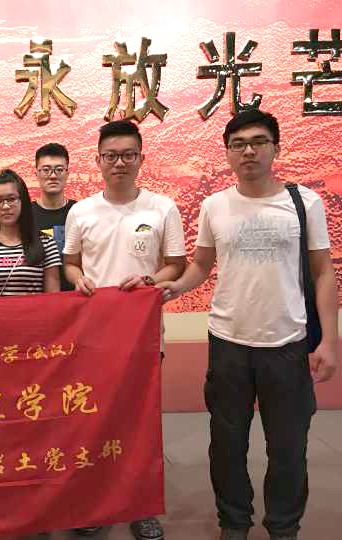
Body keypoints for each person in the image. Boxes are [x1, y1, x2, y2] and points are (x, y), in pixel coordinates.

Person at [157, 110, 338, 540]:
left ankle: (284, 528)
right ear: (228, 153)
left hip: (287, 344)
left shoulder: (304, 203)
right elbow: (201, 265)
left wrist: (329, 341)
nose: (249, 151)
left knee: (288, 447)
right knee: (226, 444)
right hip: (228, 344)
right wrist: (174, 288)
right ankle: (234, 523)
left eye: (258, 142)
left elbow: (323, 272)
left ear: (276, 148)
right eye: (238, 144)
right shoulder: (215, 205)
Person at [63, 120, 187, 540]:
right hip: (93, 337)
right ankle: (95, 503)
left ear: (140, 159)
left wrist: (152, 281)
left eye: (128, 155)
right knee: (94, 421)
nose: (120, 163)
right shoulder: (81, 211)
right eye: (111, 156)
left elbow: (176, 265)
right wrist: (78, 278)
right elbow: (71, 263)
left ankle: (141, 506)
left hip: (142, 336)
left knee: (140, 423)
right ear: (98, 160)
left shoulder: (161, 208)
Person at [0, 169, 61, 297]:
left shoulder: (46, 243)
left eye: (12, 199)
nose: (6, 206)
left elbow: (53, 297)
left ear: (23, 201)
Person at [31, 143, 77, 291]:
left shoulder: (80, 211)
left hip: (77, 292)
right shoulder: (25, 215)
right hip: (38, 295)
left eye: (59, 169)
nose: (52, 176)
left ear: (67, 173)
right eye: (46, 170)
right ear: (36, 173)